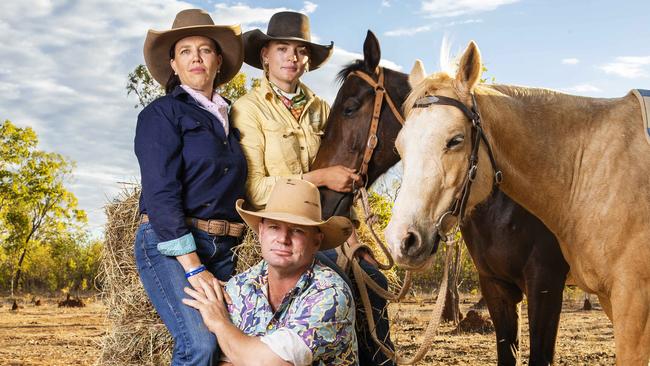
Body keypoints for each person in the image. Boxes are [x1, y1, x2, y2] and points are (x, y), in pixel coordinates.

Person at [231, 11, 394, 365]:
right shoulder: (248, 110)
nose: (293, 57)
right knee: (333, 281)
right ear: (265, 55)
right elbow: (255, 189)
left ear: (307, 60)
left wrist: (353, 241)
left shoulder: (323, 109)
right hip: (273, 224)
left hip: (316, 227)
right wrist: (319, 178)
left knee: (370, 276)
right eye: (283, 49)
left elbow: (341, 190)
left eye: (300, 51)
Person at [134, 9, 247, 365]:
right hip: (170, 244)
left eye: (205, 50)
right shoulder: (162, 114)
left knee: (232, 345)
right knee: (200, 345)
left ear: (217, 62)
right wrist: (194, 266)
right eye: (185, 51)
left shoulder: (233, 121)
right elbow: (160, 194)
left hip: (224, 246)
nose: (196, 57)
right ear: (174, 64)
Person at [183, 178, 358, 365]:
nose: (283, 239)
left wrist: (220, 323)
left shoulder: (330, 294)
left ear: (316, 241)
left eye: (297, 230)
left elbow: (268, 363)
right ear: (261, 232)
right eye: (274, 227)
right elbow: (224, 359)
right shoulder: (240, 286)